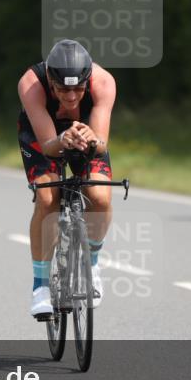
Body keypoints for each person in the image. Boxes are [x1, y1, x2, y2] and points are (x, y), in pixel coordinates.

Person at [17, 39, 117, 319]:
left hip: (87, 136)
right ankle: (40, 287)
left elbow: (102, 144)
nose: (71, 97)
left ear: (88, 80)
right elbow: (49, 145)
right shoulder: (31, 83)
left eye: (78, 89)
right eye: (62, 89)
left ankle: (92, 264)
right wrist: (61, 139)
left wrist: (90, 140)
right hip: (44, 136)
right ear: (50, 80)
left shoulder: (104, 83)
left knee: (99, 196)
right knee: (48, 198)